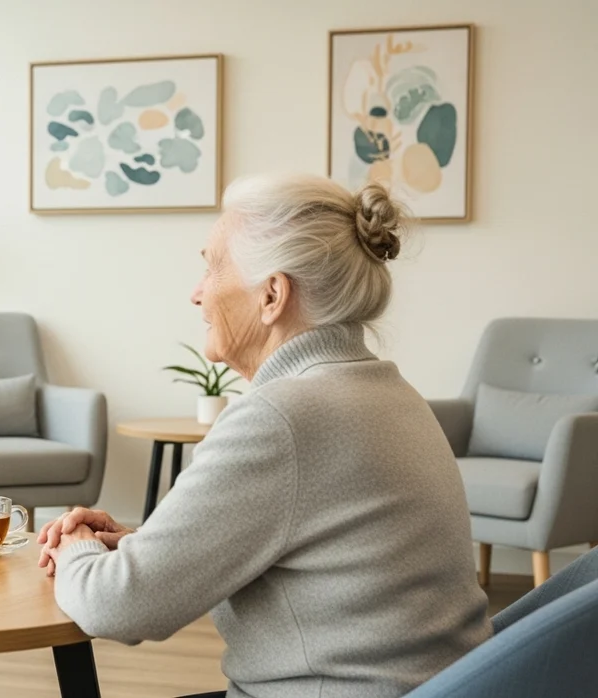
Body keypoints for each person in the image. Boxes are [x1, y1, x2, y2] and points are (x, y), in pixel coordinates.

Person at [38, 174, 492, 698]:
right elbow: (321, 558)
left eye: (211, 267)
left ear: (272, 295)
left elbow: (117, 607)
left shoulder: (283, 415)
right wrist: (143, 548)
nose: (196, 292)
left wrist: (72, 543)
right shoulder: (387, 391)